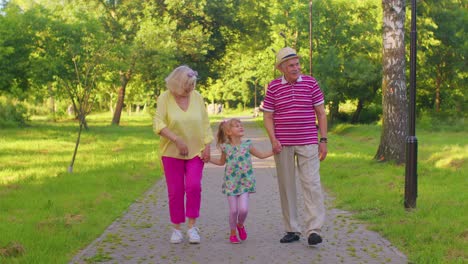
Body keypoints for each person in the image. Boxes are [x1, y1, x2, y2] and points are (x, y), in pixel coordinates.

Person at [262, 47, 328, 246]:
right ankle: (292, 229)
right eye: (291, 65)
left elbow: (321, 113)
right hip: (283, 144)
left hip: (308, 141)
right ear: (282, 68)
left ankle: (313, 230)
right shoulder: (273, 87)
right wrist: (273, 139)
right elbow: (268, 116)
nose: (296, 68)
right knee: (287, 186)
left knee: (312, 184)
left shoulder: (310, 83)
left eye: (297, 64)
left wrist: (323, 140)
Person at [153, 65, 214, 244]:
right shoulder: (164, 98)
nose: (189, 91)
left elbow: (205, 123)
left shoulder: (197, 97)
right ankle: (177, 228)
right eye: (186, 87)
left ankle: (192, 227)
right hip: (171, 153)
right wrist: (177, 140)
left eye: (192, 87)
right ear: (176, 84)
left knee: (194, 186)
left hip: (196, 151)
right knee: (175, 191)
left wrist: (208, 144)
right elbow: (158, 123)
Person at [209, 118, 273, 244]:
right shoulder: (225, 148)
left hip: (245, 183)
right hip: (231, 183)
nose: (240, 127)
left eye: (241, 125)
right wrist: (208, 159)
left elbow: (261, 155)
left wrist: (274, 151)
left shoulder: (247, 145)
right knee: (233, 211)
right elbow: (221, 162)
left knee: (243, 210)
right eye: (236, 126)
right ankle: (233, 233)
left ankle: (240, 225)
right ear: (228, 132)